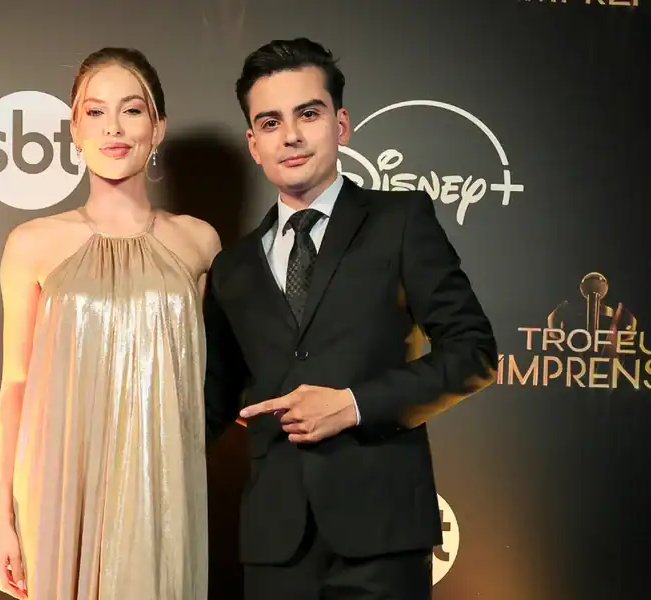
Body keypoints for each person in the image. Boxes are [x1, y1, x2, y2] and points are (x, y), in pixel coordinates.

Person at [203, 38, 498, 600]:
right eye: (270, 122)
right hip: (274, 544)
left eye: (308, 114)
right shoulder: (231, 267)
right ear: (253, 144)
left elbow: (474, 352)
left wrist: (354, 404)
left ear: (341, 125)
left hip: (383, 536)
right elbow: (209, 405)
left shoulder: (400, 221)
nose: (291, 135)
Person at [0, 47, 220, 600]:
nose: (113, 127)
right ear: (74, 130)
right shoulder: (32, 244)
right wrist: (3, 519)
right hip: (59, 494)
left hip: (163, 496)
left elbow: (200, 383)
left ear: (158, 128)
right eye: (95, 112)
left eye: (132, 110)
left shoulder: (199, 243)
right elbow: (15, 383)